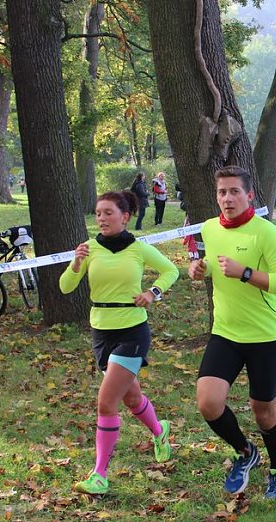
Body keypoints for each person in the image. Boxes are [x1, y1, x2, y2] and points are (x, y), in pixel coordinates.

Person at [188, 166, 276, 499]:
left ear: (249, 195)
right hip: (225, 332)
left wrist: (246, 273)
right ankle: (245, 452)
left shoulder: (265, 232)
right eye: (222, 192)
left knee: (262, 410)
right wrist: (196, 268)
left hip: (264, 336)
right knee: (208, 403)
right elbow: (210, 263)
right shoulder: (209, 228)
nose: (227, 198)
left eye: (234, 191)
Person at [60, 190, 179, 495]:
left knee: (106, 402)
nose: (101, 218)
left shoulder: (139, 248)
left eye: (108, 213)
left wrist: (153, 292)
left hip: (132, 331)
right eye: (98, 213)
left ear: (125, 217)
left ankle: (99, 475)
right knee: (130, 397)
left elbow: (171, 270)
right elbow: (65, 287)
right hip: (101, 331)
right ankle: (159, 430)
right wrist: (75, 264)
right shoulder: (88, 249)